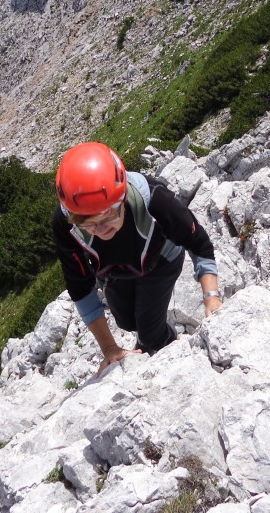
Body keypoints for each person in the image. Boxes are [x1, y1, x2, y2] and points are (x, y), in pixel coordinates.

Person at [52, 142, 221, 375]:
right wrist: (110, 348)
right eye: (87, 222)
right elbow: (79, 287)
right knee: (127, 323)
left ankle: (167, 347)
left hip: (161, 261)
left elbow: (199, 243)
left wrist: (212, 298)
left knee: (150, 332)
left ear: (122, 198)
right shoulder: (66, 224)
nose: (100, 229)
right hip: (114, 271)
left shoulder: (154, 199)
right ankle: (148, 340)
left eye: (108, 215)